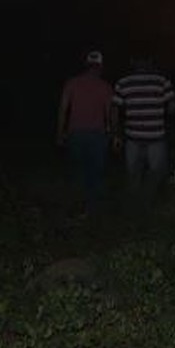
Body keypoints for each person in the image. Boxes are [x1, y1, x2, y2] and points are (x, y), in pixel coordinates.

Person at [112, 55, 175, 214]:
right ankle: (143, 203)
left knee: (133, 172)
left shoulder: (123, 82)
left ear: (133, 63)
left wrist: (116, 132)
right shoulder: (162, 81)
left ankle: (137, 205)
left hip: (133, 136)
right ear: (149, 62)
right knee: (156, 170)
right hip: (155, 136)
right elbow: (172, 107)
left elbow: (115, 109)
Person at [57, 50, 115, 220]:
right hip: (97, 135)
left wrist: (60, 133)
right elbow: (110, 112)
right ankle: (92, 209)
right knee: (95, 172)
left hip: (76, 134)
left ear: (86, 65)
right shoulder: (105, 86)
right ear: (101, 67)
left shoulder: (72, 83)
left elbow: (63, 110)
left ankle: (79, 208)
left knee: (77, 171)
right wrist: (113, 133)